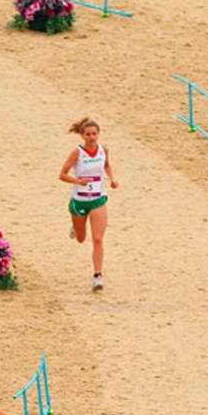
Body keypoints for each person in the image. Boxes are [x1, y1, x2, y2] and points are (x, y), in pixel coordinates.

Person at [59, 116, 118, 291]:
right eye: (88, 134)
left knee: (98, 238)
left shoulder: (103, 150)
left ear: (98, 134)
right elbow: (62, 174)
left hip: (98, 198)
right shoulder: (77, 153)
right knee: (80, 238)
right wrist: (77, 181)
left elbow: (107, 165)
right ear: (82, 136)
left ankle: (97, 276)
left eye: (94, 134)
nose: (92, 137)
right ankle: (75, 227)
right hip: (80, 199)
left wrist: (112, 179)